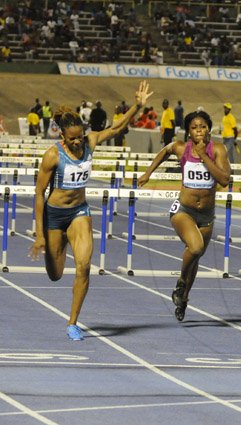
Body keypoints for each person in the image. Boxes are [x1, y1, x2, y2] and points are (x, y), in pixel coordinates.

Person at [29, 80, 153, 341]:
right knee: (55, 274)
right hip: (54, 215)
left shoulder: (90, 141)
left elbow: (118, 127)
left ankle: (73, 322)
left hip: (79, 212)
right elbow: (39, 193)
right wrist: (39, 234)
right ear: (62, 135)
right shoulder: (52, 155)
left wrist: (137, 107)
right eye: (71, 139)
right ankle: (57, 244)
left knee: (84, 266)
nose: (77, 143)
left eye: (79, 137)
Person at [137, 110, 231, 321]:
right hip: (183, 210)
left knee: (196, 257)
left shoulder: (217, 149)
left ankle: (183, 298)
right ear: (188, 131)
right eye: (195, 127)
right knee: (195, 247)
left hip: (206, 214)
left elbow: (224, 179)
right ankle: (181, 281)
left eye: (203, 127)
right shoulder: (181, 148)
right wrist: (148, 173)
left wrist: (205, 156)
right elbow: (164, 151)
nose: (199, 131)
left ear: (209, 129)